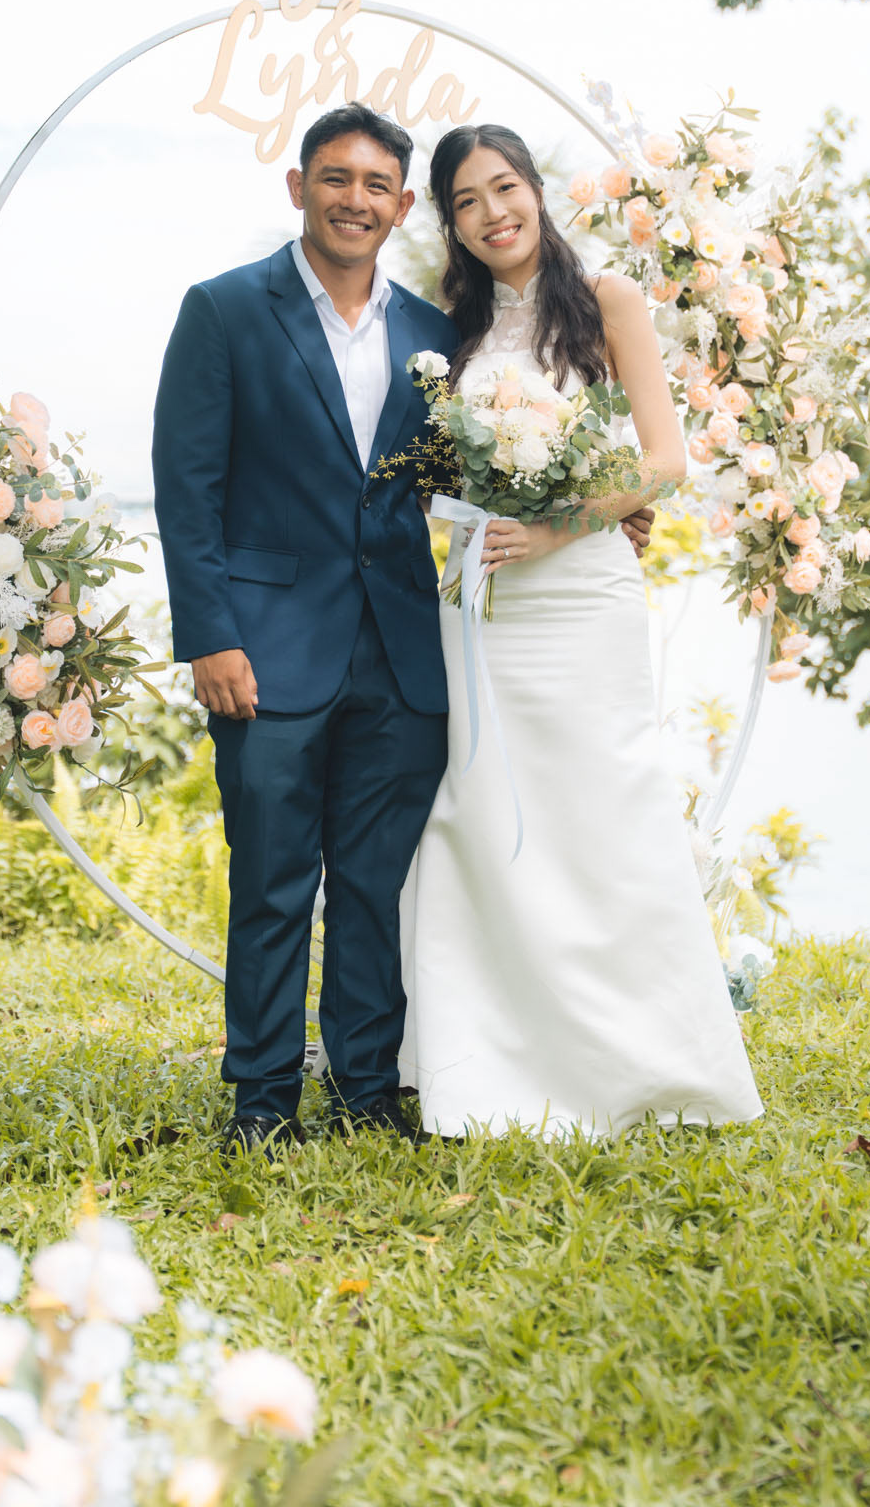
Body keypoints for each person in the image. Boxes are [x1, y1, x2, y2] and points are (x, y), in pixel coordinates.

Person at [398, 122, 763, 1140]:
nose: (490, 213)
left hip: (579, 593)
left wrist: (559, 525)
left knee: (605, 810)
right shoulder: (453, 332)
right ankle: (483, 1063)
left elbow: (662, 459)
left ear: (534, 190)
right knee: (476, 811)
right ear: (451, 224)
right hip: (482, 595)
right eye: (465, 201)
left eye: (503, 187)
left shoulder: (607, 300)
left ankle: (640, 1062)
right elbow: (437, 470)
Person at [151, 104, 459, 1153]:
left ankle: (367, 1091)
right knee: (272, 886)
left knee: (372, 888)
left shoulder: (434, 335)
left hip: (401, 653)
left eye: (376, 185)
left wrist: (600, 506)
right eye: (335, 178)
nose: (353, 200)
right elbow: (186, 488)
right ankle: (262, 1101)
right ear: (299, 187)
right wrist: (209, 636)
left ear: (402, 206)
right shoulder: (225, 309)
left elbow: (465, 481)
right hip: (264, 650)